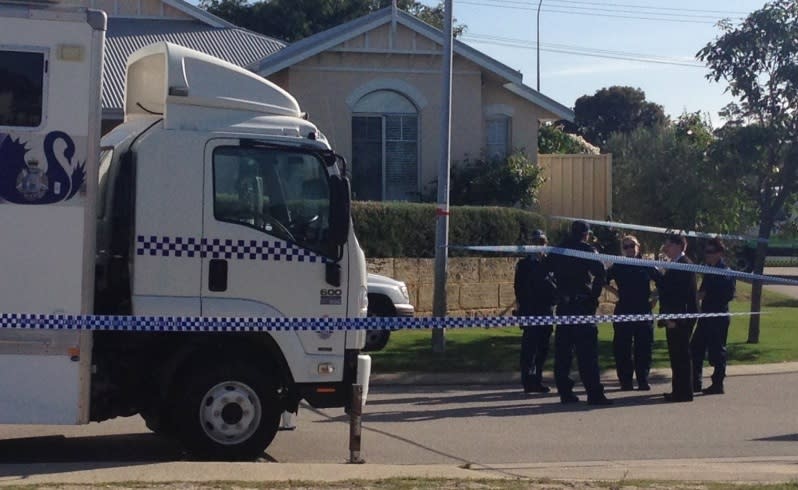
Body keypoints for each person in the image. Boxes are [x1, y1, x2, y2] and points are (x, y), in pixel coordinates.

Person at [548, 220, 611, 405]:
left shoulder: (558, 250)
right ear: (586, 234)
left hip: (564, 306)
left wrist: (557, 292)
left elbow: (545, 271)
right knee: (587, 353)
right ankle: (594, 393)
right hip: (582, 305)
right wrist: (593, 297)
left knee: (563, 353)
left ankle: (565, 392)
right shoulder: (586, 250)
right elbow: (601, 273)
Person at [605, 235, 660, 391]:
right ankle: (625, 381)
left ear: (638, 246)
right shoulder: (618, 265)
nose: (629, 249)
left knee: (644, 347)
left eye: (632, 246)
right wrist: (615, 292)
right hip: (624, 310)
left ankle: (643, 380)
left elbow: (662, 282)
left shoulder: (646, 264)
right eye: (626, 247)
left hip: (643, 310)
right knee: (622, 347)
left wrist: (654, 297)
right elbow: (603, 279)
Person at [514, 229, 557, 393]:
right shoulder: (524, 265)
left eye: (541, 242)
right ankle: (528, 381)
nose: (538, 246)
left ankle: (537, 380)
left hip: (546, 311)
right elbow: (518, 289)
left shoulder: (550, 263)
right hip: (530, 310)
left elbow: (555, 285)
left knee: (543, 348)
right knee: (529, 349)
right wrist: (521, 309)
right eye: (535, 242)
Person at [691, 238, 736, 395]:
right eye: (706, 252)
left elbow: (729, 295)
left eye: (710, 252)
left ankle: (718, 384)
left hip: (718, 317)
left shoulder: (725, 272)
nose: (707, 255)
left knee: (717, 352)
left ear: (719, 253)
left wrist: (708, 294)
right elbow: (701, 292)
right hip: (705, 316)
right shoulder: (709, 270)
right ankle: (695, 382)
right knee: (695, 347)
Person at [657, 234, 699, 403]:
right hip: (675, 316)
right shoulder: (676, 265)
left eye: (669, 245)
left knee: (681, 355)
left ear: (680, 246)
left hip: (681, 317)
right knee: (676, 355)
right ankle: (678, 390)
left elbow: (678, 295)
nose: (667, 249)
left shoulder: (684, 265)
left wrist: (674, 319)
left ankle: (684, 393)